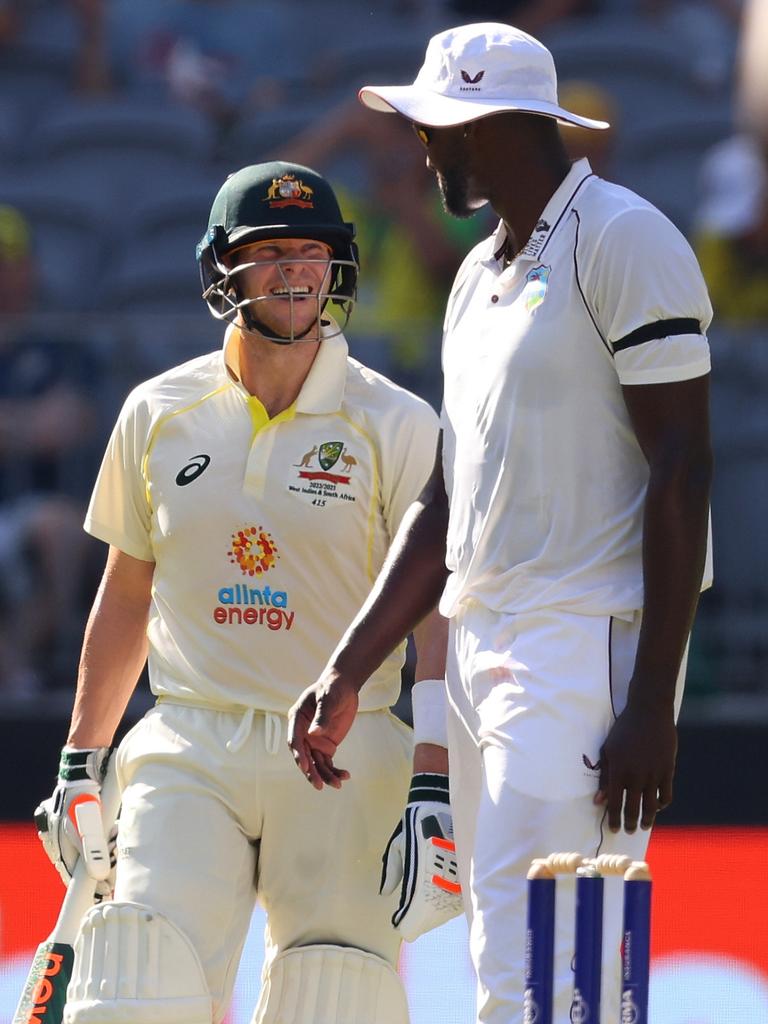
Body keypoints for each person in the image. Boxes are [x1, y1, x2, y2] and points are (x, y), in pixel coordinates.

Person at [288, 23, 714, 1024]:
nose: (421, 149)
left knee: (554, 972)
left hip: (585, 645)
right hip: (483, 644)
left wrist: (651, 699)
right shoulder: (476, 276)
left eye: (438, 128)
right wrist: (349, 666)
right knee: (511, 967)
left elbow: (685, 465)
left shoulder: (624, 237)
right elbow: (446, 500)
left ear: (494, 126)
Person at [34, 162, 455, 1024]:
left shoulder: (398, 423)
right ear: (222, 270)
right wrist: (83, 758)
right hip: (192, 735)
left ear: (339, 267)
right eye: (269, 252)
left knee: (335, 1000)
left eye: (312, 251)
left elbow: (436, 611)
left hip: (347, 746)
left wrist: (432, 776)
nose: (294, 271)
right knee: (132, 993)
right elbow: (125, 591)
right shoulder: (159, 411)